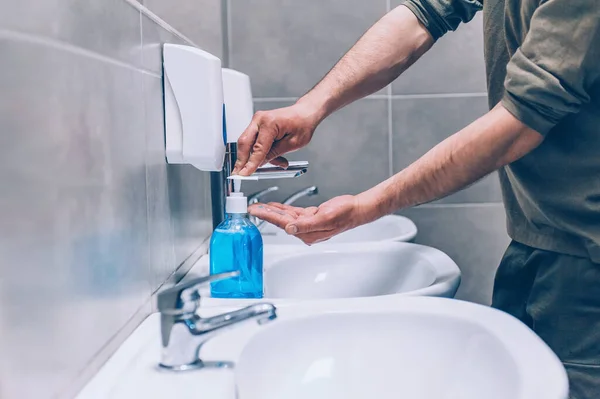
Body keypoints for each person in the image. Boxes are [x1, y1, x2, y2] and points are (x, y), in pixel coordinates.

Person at [232, 1, 600, 397]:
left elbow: (521, 121)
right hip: (535, 241)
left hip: (586, 258)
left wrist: (366, 207)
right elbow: (425, 13)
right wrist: (309, 108)